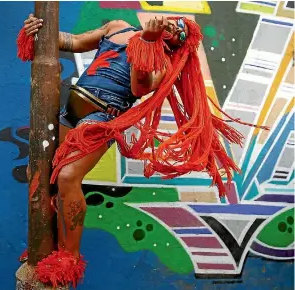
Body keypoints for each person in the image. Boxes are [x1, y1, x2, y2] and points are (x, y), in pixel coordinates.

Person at [16, 13, 267, 288]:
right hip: (70, 111)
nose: (175, 27)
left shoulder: (164, 63)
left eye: (181, 32)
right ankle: (43, 249)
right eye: (177, 22)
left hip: (101, 119)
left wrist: (148, 42)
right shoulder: (117, 28)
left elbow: (139, 86)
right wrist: (39, 32)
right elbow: (72, 41)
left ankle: (69, 258)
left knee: (67, 177)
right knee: (41, 175)